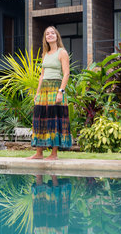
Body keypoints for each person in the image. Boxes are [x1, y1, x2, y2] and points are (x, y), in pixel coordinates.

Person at [28, 26, 72, 159]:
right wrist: (37, 93)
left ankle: (54, 153)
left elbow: (66, 74)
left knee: (54, 119)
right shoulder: (45, 54)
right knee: (40, 119)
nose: (50, 35)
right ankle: (39, 152)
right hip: (44, 90)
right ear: (45, 38)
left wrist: (61, 91)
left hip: (56, 87)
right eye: (47, 34)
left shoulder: (62, 52)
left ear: (57, 36)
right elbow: (42, 75)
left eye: (52, 33)